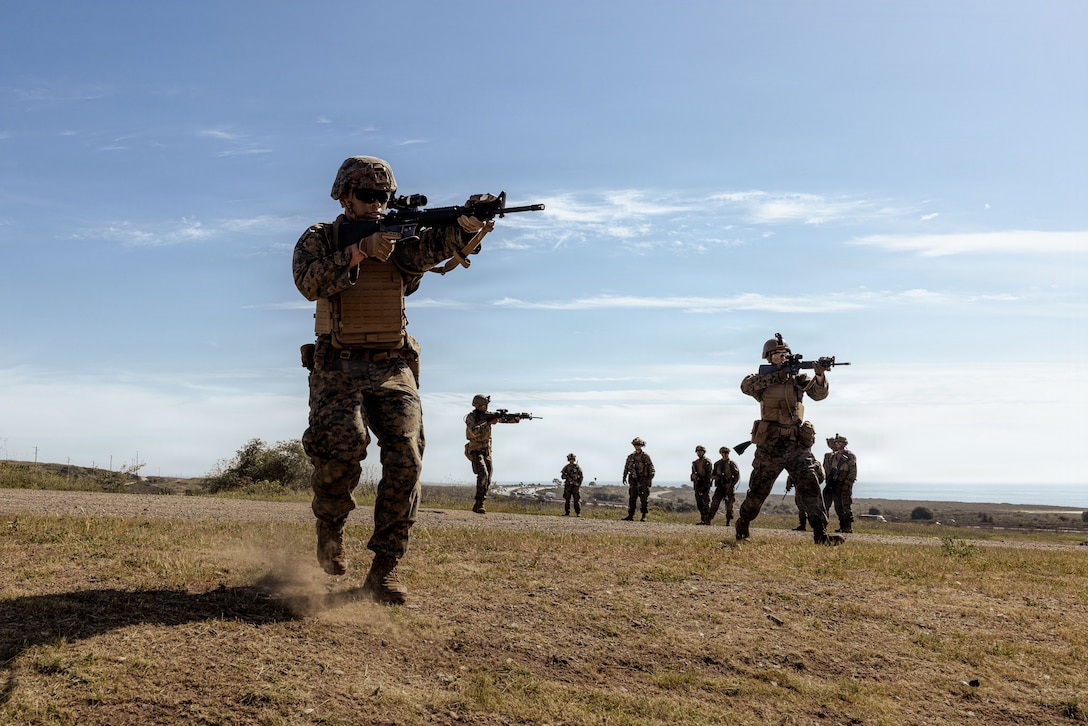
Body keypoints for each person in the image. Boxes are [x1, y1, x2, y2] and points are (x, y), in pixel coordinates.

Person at [293, 155, 491, 604]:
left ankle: (384, 570)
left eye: (383, 196)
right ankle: (331, 527)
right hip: (336, 366)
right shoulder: (320, 238)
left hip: (391, 364)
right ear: (343, 196)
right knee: (341, 451)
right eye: (367, 195)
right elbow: (307, 282)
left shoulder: (402, 241)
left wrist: (466, 224)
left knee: (406, 456)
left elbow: (435, 248)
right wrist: (361, 251)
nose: (376, 204)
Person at [734, 334, 843, 545]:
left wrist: (819, 375)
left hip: (796, 444)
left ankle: (820, 533)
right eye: (777, 354)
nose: (782, 357)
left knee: (810, 483)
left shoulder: (799, 380)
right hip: (770, 445)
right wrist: (779, 375)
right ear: (769, 358)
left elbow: (819, 395)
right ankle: (743, 523)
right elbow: (747, 386)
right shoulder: (761, 380)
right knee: (759, 490)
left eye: (785, 354)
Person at [464, 394, 521, 513]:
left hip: (486, 450)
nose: (486, 407)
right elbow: (474, 431)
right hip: (475, 449)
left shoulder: (488, 415)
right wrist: (489, 423)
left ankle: (480, 502)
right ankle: (479, 502)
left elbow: (502, 419)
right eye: (485, 405)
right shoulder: (471, 417)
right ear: (478, 406)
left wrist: (515, 419)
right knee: (483, 473)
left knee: (488, 476)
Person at [823, 433, 858, 533]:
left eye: (839, 442)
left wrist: (848, 482)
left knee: (845, 505)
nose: (837, 444)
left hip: (845, 483)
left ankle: (848, 527)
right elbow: (828, 469)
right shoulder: (833, 456)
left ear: (844, 443)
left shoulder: (849, 456)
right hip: (835, 483)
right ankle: (842, 526)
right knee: (838, 506)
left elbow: (853, 470)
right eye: (836, 442)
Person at [622, 437, 655, 521]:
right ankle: (630, 515)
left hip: (643, 479)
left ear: (642, 445)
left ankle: (644, 516)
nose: (637, 446)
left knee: (644, 498)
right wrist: (624, 476)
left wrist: (649, 478)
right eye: (635, 445)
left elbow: (651, 468)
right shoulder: (631, 457)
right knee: (632, 497)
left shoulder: (645, 456)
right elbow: (626, 467)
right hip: (633, 480)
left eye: (639, 445)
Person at [707, 446, 740, 525]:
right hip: (720, 487)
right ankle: (708, 520)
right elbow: (712, 474)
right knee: (714, 503)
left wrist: (731, 485)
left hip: (729, 487)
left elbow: (737, 475)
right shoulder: (717, 464)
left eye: (726, 453)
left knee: (729, 505)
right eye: (723, 453)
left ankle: (728, 522)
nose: (725, 455)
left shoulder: (731, 464)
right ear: (721, 454)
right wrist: (715, 477)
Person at [791, 460, 824, 531]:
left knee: (812, 507)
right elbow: (792, 474)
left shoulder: (815, 464)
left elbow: (821, 476)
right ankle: (802, 525)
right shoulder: (797, 462)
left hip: (809, 488)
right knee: (800, 505)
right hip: (800, 486)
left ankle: (819, 527)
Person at [691, 446, 713, 524]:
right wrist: (693, 476)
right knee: (699, 503)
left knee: (705, 503)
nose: (699, 453)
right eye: (698, 451)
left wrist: (705, 484)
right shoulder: (695, 463)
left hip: (705, 485)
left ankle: (707, 520)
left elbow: (709, 475)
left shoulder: (707, 462)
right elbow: (693, 474)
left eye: (700, 451)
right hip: (697, 485)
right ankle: (703, 519)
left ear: (704, 452)